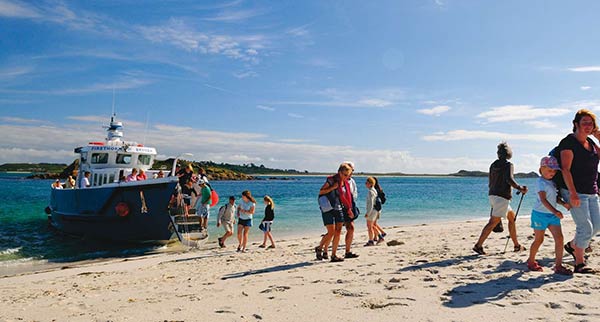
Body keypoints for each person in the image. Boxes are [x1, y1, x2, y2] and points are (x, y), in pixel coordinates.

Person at [554, 109, 600, 274]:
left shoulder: (592, 144)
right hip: (574, 191)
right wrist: (572, 193)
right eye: (584, 123)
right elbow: (566, 169)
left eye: (591, 123)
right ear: (576, 124)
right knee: (585, 227)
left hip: (591, 190)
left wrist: (597, 135)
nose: (588, 126)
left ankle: (573, 246)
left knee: (597, 225)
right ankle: (579, 263)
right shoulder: (568, 143)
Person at [473, 142, 528, 255]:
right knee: (493, 222)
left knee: (511, 218)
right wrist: (520, 188)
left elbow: (491, 181)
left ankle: (516, 245)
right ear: (509, 154)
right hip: (502, 197)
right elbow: (509, 179)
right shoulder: (508, 165)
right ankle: (478, 245)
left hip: (493, 195)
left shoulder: (493, 165)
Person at [526, 156, 572, 275]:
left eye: (554, 171)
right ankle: (531, 261)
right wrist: (555, 212)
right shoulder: (540, 182)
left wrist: (563, 204)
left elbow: (554, 198)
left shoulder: (552, 182)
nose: (552, 173)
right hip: (540, 215)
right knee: (539, 240)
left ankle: (558, 266)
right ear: (541, 169)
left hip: (551, 215)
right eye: (549, 170)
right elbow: (543, 200)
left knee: (559, 238)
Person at [315, 163, 353, 262]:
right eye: (344, 175)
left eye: (347, 175)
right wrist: (332, 188)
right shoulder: (331, 180)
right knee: (331, 232)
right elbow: (321, 192)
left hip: (338, 207)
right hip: (327, 207)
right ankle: (319, 248)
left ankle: (334, 255)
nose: (346, 177)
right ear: (339, 172)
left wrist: (349, 209)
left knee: (338, 231)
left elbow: (345, 197)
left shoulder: (345, 183)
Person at [342, 161, 359, 259]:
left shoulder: (351, 181)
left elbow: (354, 194)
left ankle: (347, 251)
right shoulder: (339, 180)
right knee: (335, 230)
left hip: (350, 207)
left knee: (351, 228)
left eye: (352, 170)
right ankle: (323, 248)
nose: (351, 172)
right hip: (340, 207)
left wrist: (352, 206)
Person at [364, 177, 379, 246]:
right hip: (375, 210)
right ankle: (380, 236)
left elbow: (371, 203)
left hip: (372, 211)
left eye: (366, 183)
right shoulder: (374, 190)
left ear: (370, 184)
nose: (365, 184)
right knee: (372, 225)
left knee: (369, 226)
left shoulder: (370, 192)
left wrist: (368, 213)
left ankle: (371, 241)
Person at [372, 177, 387, 243]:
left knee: (372, 224)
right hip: (379, 208)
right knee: (374, 223)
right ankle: (377, 235)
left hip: (375, 208)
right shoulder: (379, 189)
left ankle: (380, 235)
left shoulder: (374, 190)